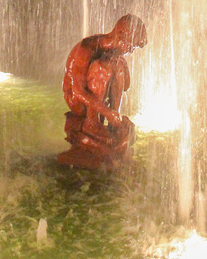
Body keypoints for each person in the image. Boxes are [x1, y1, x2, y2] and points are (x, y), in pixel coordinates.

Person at [58, 14, 147, 169]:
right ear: (121, 37)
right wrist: (106, 112)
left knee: (115, 65)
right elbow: (78, 92)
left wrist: (119, 66)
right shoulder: (88, 48)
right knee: (102, 68)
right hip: (76, 99)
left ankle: (113, 122)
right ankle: (91, 123)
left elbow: (126, 85)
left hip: (95, 100)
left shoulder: (114, 54)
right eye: (131, 46)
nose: (131, 51)